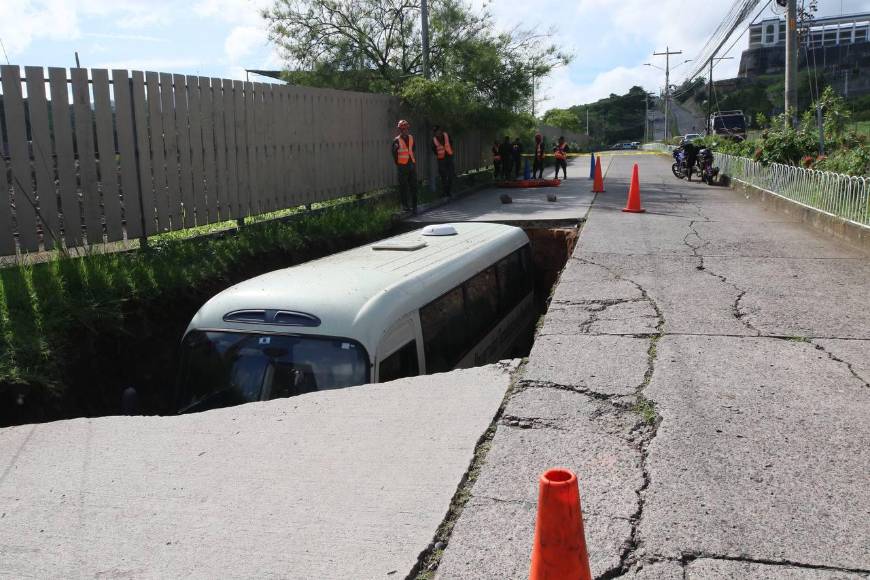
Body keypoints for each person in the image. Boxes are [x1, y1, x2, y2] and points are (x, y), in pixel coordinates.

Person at [392, 120, 418, 212]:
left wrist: (411, 162)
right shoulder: (396, 140)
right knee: (403, 186)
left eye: (405, 128)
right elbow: (394, 154)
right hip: (402, 166)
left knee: (413, 186)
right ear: (400, 129)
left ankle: (414, 206)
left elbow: (413, 149)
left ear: (407, 128)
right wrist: (399, 164)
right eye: (402, 129)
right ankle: (405, 206)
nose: (404, 130)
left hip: (411, 164)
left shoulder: (411, 138)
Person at [431, 126, 455, 197]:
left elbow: (451, 143)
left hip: (449, 157)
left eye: (438, 131)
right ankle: (444, 192)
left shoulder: (447, 135)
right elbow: (434, 149)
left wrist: (449, 151)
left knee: (450, 175)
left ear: (441, 131)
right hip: (441, 159)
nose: (437, 133)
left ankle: (449, 191)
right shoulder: (434, 140)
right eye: (435, 132)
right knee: (443, 176)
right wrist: (440, 154)